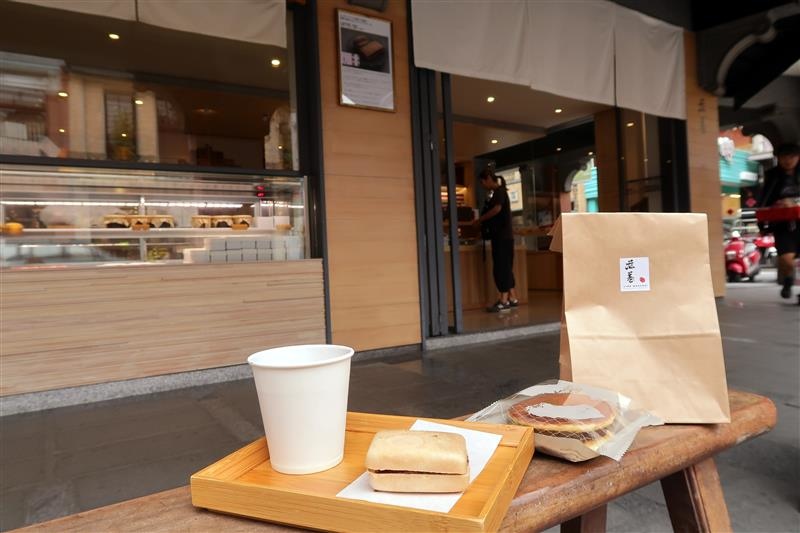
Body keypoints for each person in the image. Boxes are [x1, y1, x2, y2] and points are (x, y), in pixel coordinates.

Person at [758, 142, 800, 299]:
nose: (788, 160)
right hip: (782, 225)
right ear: (778, 158)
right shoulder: (773, 176)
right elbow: (763, 201)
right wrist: (761, 225)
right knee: (786, 260)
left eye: (792, 156)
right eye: (784, 157)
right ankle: (788, 280)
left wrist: (795, 203)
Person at [474, 169, 518, 312]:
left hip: (501, 237)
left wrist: (481, 219)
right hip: (505, 237)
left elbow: (497, 209)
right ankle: (512, 297)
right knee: (506, 266)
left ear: (488, 178)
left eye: (482, 182)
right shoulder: (499, 192)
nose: (482, 186)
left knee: (501, 267)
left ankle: (503, 300)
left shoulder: (499, 192)